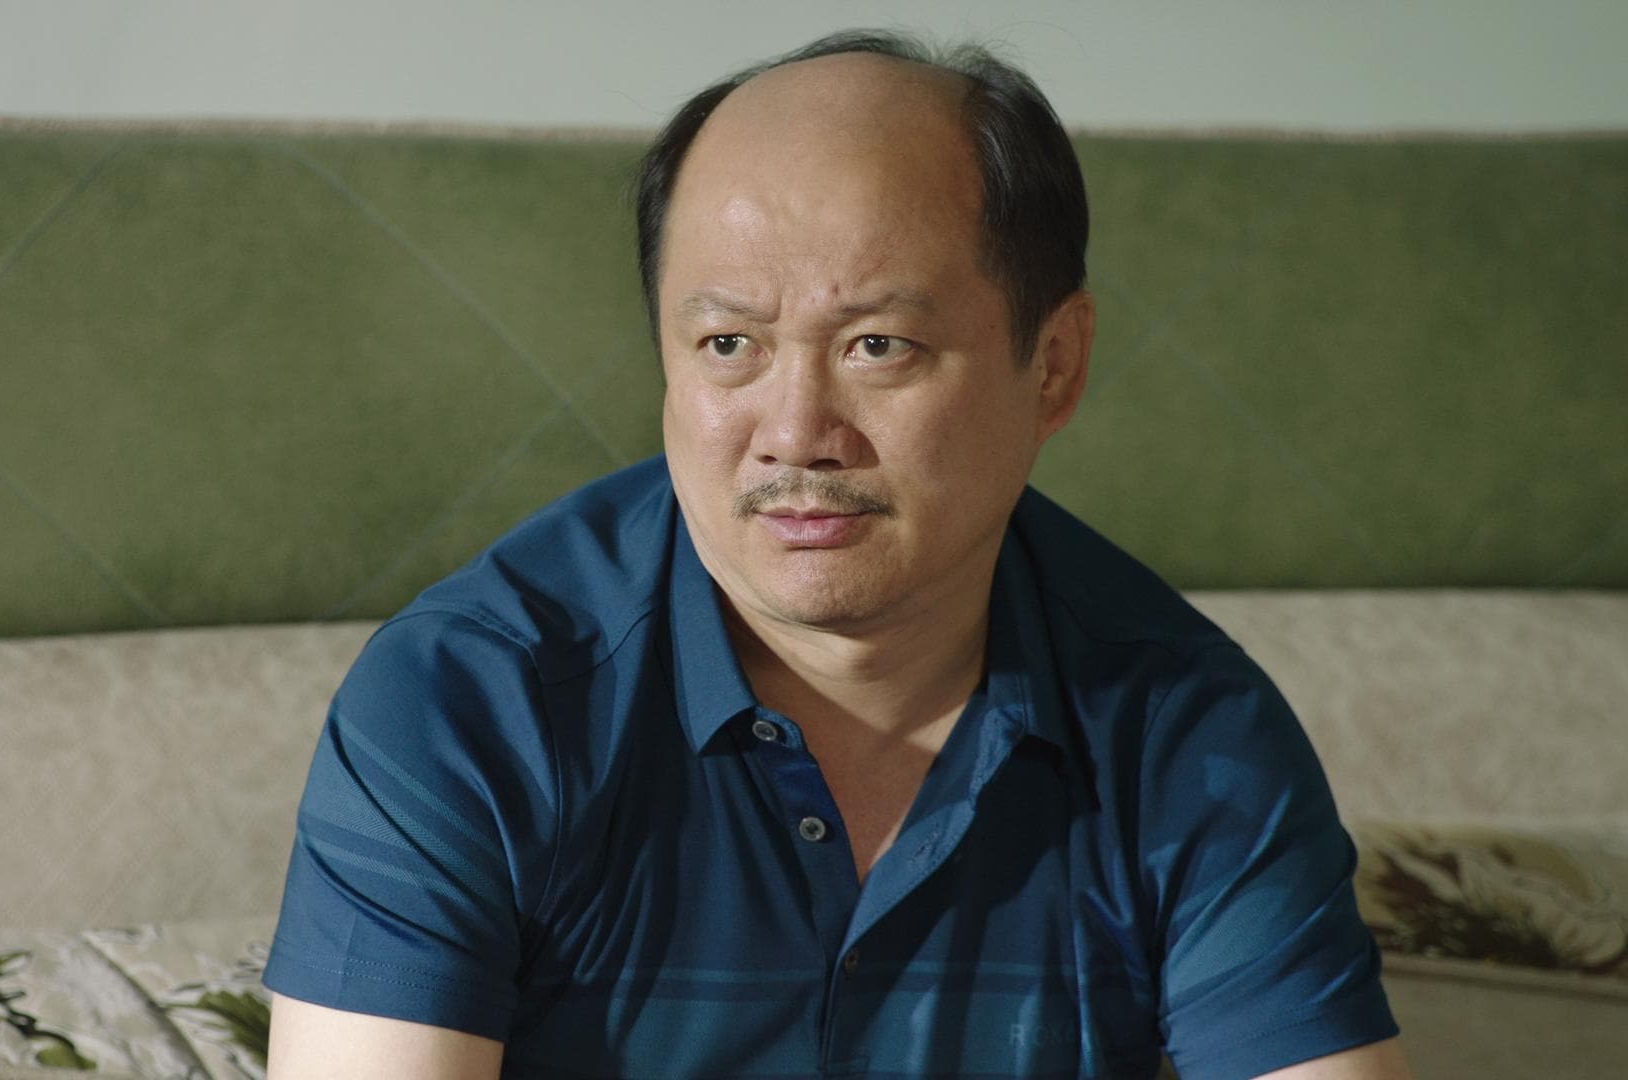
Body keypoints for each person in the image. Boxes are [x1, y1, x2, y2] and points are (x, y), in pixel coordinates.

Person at [262, 30, 1413, 1080]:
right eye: (728, 343)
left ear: (1054, 365)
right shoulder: (471, 700)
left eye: (878, 345)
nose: (796, 432)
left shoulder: (1187, 732)